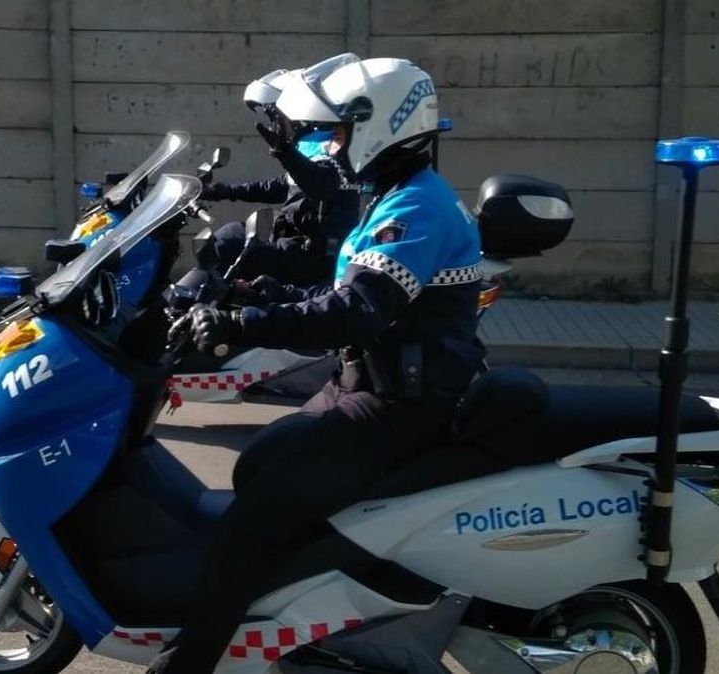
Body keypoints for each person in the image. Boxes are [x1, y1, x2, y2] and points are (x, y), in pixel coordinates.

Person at [148, 54, 485, 673]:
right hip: (367, 386)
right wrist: (250, 297)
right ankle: (301, 617)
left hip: (399, 407)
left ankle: (192, 663)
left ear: (380, 125)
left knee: (251, 522)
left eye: (334, 132)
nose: (326, 146)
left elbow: (357, 310)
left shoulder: (417, 208)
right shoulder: (390, 194)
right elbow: (331, 296)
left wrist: (242, 323)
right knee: (259, 463)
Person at [198, 68, 360, 286]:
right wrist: (221, 191)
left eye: (276, 115)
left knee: (227, 244)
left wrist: (286, 154)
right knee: (230, 239)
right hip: (292, 242)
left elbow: (323, 185)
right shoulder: (309, 144)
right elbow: (282, 185)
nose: (275, 123)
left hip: (313, 256)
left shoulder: (332, 145)